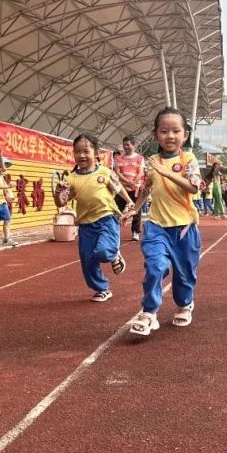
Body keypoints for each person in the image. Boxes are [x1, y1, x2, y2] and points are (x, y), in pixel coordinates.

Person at [121, 107, 201, 337]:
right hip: (156, 226)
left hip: (185, 227)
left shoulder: (189, 159)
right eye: (164, 131)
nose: (170, 136)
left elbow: (194, 187)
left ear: (185, 135)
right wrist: (133, 210)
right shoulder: (151, 162)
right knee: (155, 266)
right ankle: (149, 313)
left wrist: (167, 173)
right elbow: (146, 188)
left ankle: (185, 304)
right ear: (156, 135)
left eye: (176, 131)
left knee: (185, 274)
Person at [55, 134, 134, 302]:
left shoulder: (105, 173)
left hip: (106, 219)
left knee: (103, 252)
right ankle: (102, 288)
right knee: (88, 260)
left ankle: (113, 254)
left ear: (96, 153)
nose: (81, 155)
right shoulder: (71, 179)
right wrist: (58, 193)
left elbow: (119, 188)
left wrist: (130, 202)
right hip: (85, 225)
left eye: (86, 151)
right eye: (77, 152)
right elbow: (61, 202)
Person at [114, 135, 145, 242]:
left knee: (136, 210)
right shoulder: (118, 158)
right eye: (124, 145)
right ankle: (113, 229)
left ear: (134, 146)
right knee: (115, 208)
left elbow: (141, 172)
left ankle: (135, 231)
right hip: (122, 188)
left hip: (135, 188)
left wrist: (134, 182)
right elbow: (117, 172)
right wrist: (127, 182)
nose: (126, 147)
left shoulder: (140, 158)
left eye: (128, 145)